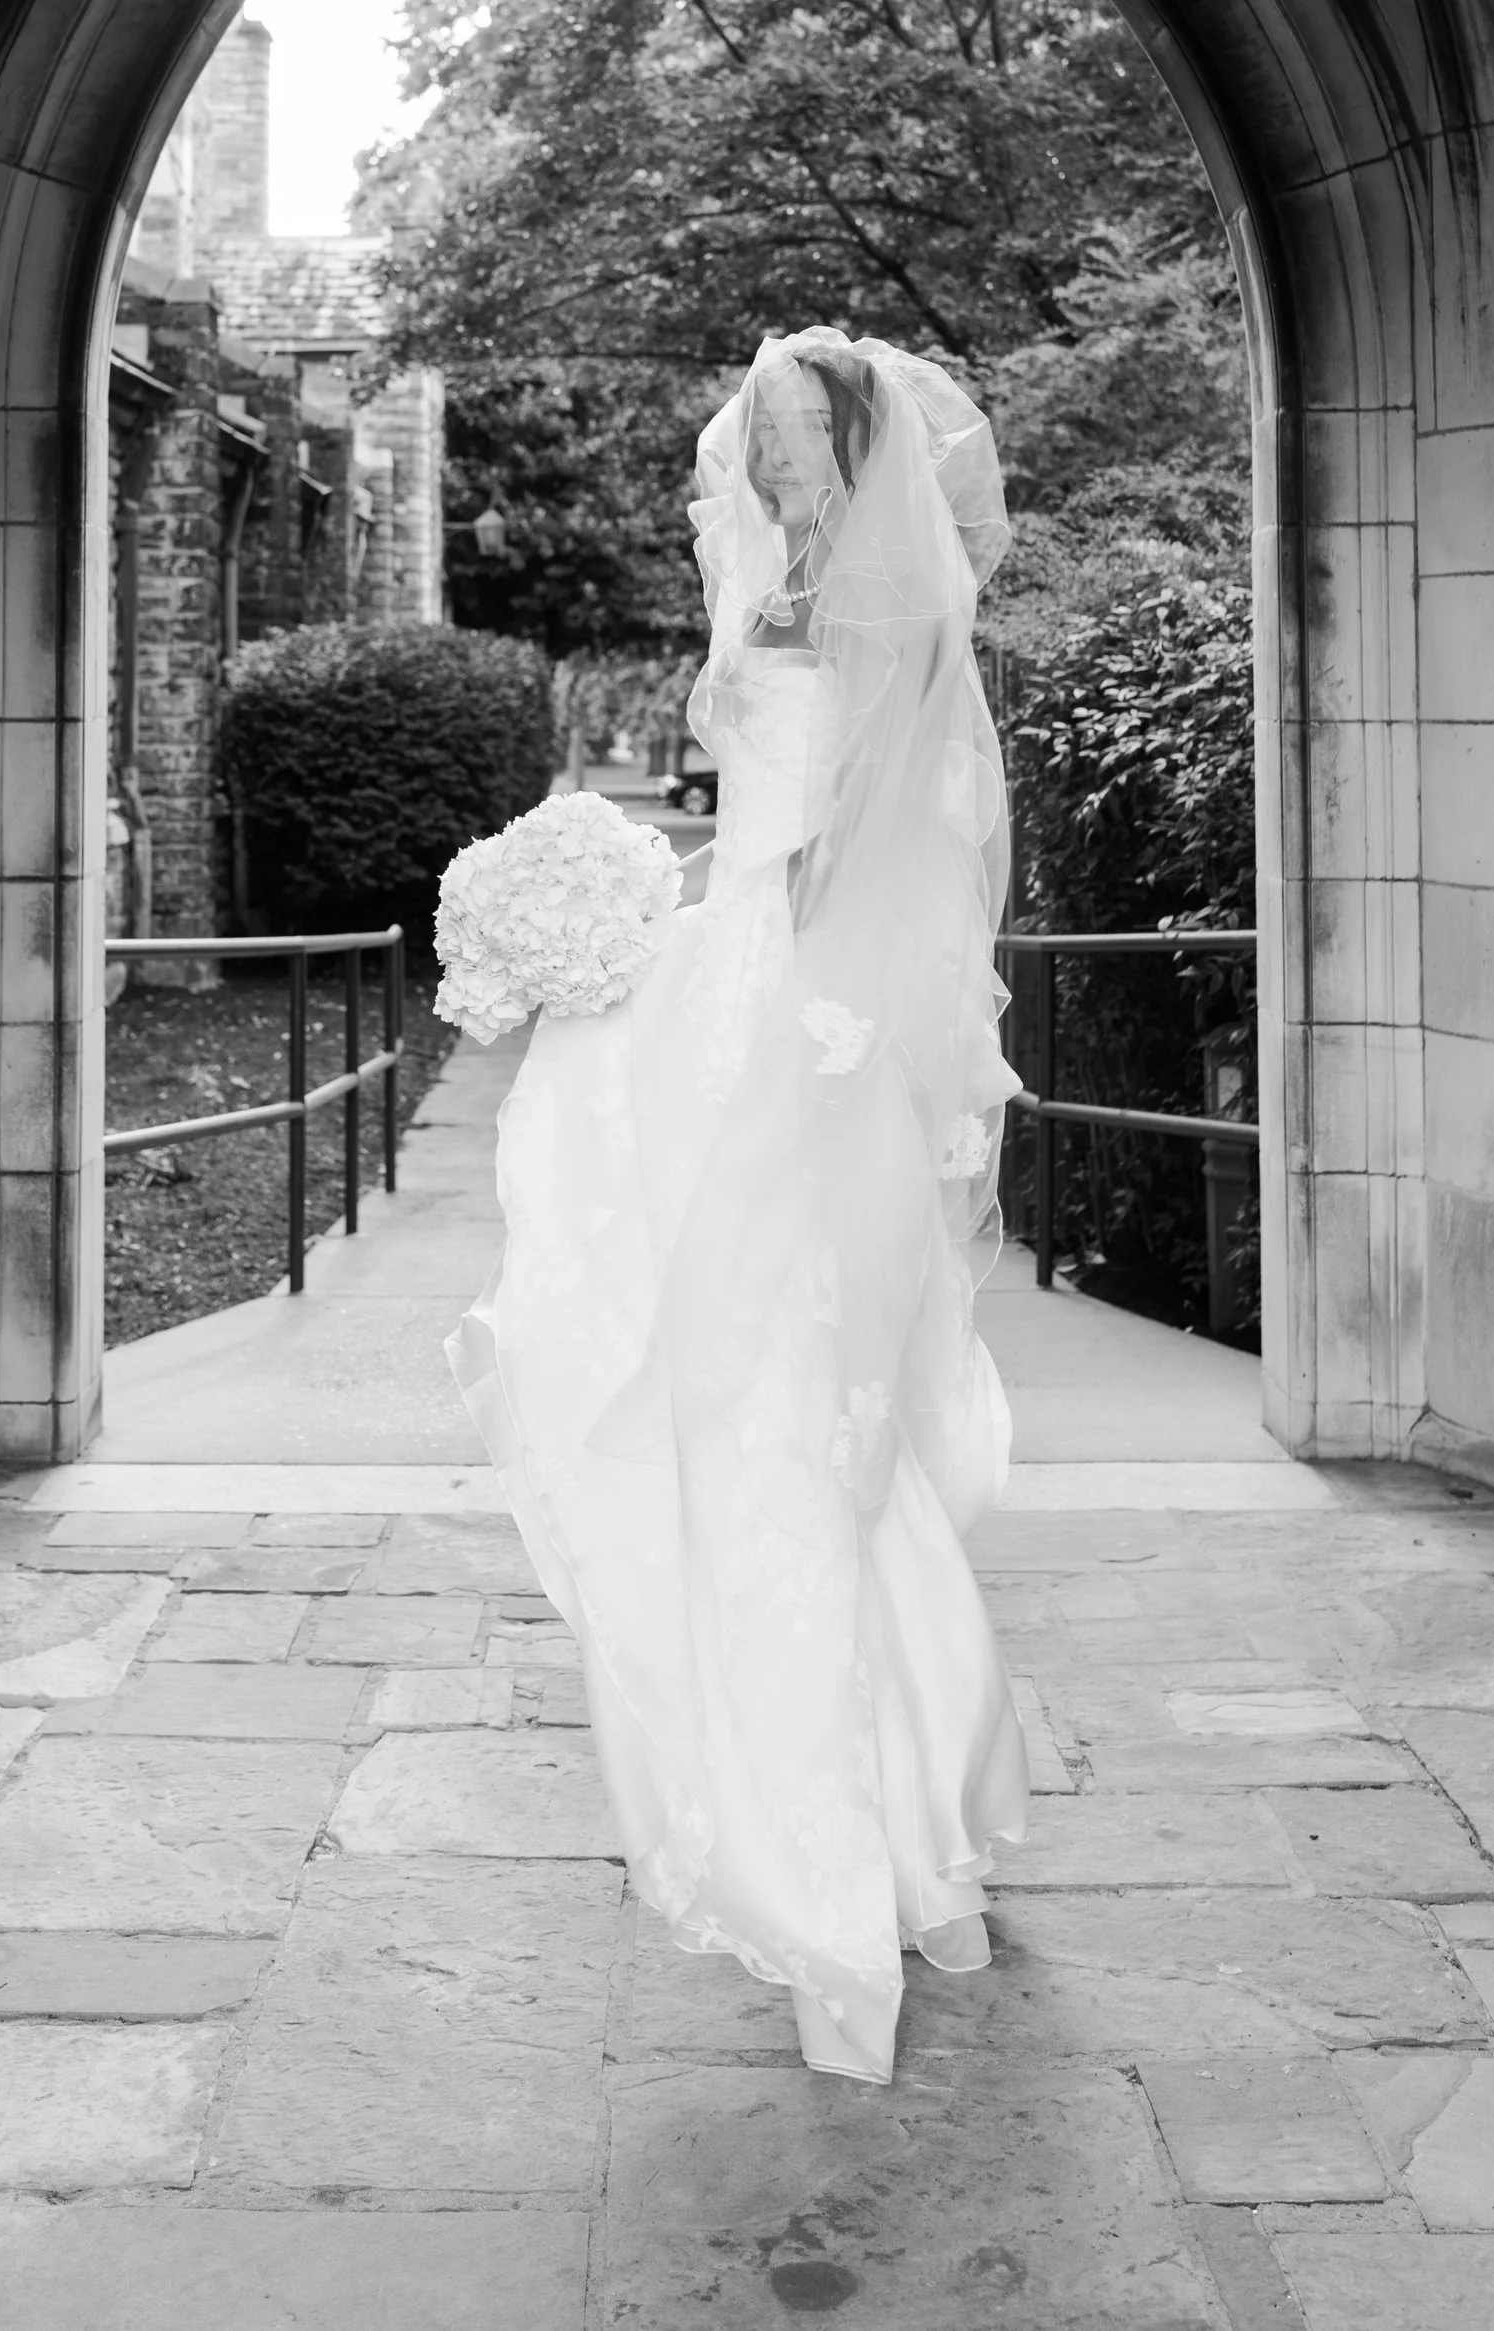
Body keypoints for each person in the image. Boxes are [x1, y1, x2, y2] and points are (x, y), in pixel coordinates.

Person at [448, 327, 1026, 2083]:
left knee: (780, 1402)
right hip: (769, 982)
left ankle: (842, 1845)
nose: (752, 471)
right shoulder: (829, 609)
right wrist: (639, 912)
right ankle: (910, 1825)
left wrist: (763, 988)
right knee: (769, 1397)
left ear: (838, 446)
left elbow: (863, 857)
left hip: (797, 1023)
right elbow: (794, 840)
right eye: (754, 444)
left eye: (777, 444)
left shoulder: (853, 627)